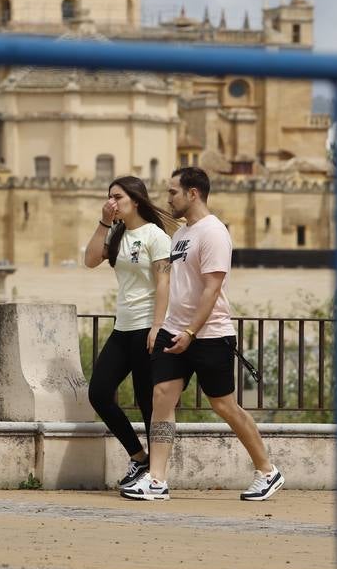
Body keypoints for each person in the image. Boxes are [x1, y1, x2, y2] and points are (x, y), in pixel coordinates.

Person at [121, 166, 284, 502]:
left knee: (224, 405)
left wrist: (192, 332)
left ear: (192, 193)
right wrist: (165, 327)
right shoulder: (182, 234)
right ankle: (157, 479)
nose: (169, 198)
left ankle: (267, 470)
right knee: (162, 397)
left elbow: (212, 289)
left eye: (173, 192)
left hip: (209, 334)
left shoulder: (213, 233)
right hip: (173, 330)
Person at [83, 175, 173, 490]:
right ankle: (139, 456)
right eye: (109, 197)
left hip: (148, 326)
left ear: (135, 200)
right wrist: (104, 222)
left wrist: (158, 326)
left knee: (148, 400)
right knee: (98, 392)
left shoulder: (155, 235)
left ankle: (155, 475)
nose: (112, 202)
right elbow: (90, 260)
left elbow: (164, 281)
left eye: (118, 197)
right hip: (123, 327)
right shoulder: (118, 233)